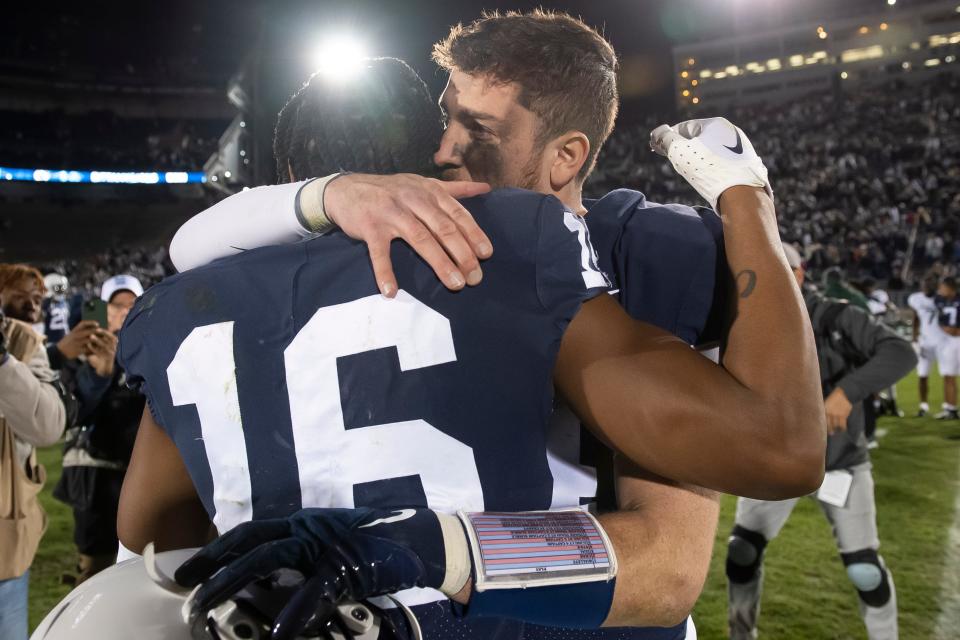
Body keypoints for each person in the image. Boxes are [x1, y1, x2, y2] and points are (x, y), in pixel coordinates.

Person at [116, 55, 822, 640]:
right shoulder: (515, 242)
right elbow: (772, 454)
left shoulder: (178, 306)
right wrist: (745, 196)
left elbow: (146, 552)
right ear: (437, 151)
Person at [725, 244, 916, 640]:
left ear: (798, 274)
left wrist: (847, 392)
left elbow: (900, 351)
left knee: (864, 569)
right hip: (774, 460)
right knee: (741, 552)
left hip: (840, 460)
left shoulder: (834, 315)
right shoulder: (742, 319)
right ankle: (740, 635)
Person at [0, 264, 75, 640]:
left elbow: (48, 427)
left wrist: (3, 363)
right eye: (22, 296)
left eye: (38, 298)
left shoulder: (23, 341)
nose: (32, 305)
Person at [54, 275, 142, 584]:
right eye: (117, 305)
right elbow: (70, 416)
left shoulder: (149, 350)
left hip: (141, 473)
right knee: (98, 573)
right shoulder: (80, 352)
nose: (124, 311)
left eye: (132, 304)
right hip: (96, 478)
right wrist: (98, 373)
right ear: (102, 310)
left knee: (146, 570)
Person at [907, 274, 946, 417]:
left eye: (930, 284)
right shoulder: (916, 298)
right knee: (922, 375)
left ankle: (949, 406)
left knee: (948, 375)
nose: (927, 286)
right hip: (925, 342)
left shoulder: (942, 298)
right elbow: (916, 318)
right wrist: (914, 338)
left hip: (943, 342)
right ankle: (923, 406)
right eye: (925, 283)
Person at [935, 276, 960, 420]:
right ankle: (950, 409)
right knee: (948, 375)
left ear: (951, 288)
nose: (940, 290)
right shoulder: (939, 300)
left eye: (943, 287)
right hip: (948, 341)